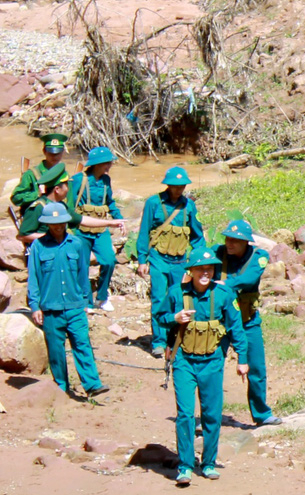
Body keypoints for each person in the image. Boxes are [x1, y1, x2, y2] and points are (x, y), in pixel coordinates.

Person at [170, 244, 244, 487]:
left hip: (212, 362)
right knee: (185, 414)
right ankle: (185, 465)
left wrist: (242, 359)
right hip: (184, 362)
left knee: (212, 414)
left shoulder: (224, 295)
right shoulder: (176, 293)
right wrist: (174, 318)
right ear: (191, 271)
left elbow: (236, 329)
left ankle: (209, 462)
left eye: (210, 269)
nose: (206, 273)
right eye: (200, 269)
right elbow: (159, 318)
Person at [26, 202, 107, 399]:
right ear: (46, 224)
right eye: (54, 224)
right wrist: (35, 306)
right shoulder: (38, 246)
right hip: (51, 308)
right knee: (56, 351)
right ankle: (61, 386)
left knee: (82, 344)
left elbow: (82, 275)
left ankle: (92, 384)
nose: (58, 226)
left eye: (62, 223)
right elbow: (34, 277)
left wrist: (87, 302)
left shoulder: (77, 244)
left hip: (75, 307)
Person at [215, 218, 280, 427]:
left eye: (236, 240)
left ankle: (261, 414)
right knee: (212, 368)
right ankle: (209, 416)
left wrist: (224, 284)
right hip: (221, 322)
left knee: (256, 367)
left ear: (247, 243)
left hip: (247, 320)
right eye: (228, 239)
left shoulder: (259, 256)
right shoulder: (217, 253)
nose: (230, 243)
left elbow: (249, 279)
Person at [137, 167, 203, 360]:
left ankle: (175, 339)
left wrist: (200, 261)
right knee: (158, 297)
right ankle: (158, 341)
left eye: (182, 185)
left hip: (181, 261)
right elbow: (143, 233)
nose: (178, 189)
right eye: (175, 186)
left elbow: (197, 237)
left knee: (179, 298)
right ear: (168, 185)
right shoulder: (153, 203)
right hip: (158, 259)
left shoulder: (189, 206)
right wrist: (142, 260)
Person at [67, 148, 126, 312]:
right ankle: (86, 302)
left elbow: (110, 202)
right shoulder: (78, 180)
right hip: (81, 230)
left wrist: (118, 219)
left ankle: (102, 297)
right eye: (106, 163)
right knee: (82, 265)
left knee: (109, 260)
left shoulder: (106, 180)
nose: (109, 166)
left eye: (110, 163)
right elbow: (70, 206)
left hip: (100, 229)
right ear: (96, 164)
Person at [9, 133, 71, 221]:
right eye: (51, 153)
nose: (55, 157)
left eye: (58, 153)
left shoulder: (65, 174)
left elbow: (70, 201)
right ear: (44, 151)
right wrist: (37, 194)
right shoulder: (32, 174)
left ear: (63, 152)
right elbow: (16, 198)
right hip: (38, 219)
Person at [16, 176, 79, 244]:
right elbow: (22, 236)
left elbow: (80, 219)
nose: (68, 189)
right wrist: (51, 237)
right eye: (66, 186)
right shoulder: (39, 207)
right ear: (57, 189)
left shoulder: (61, 205)